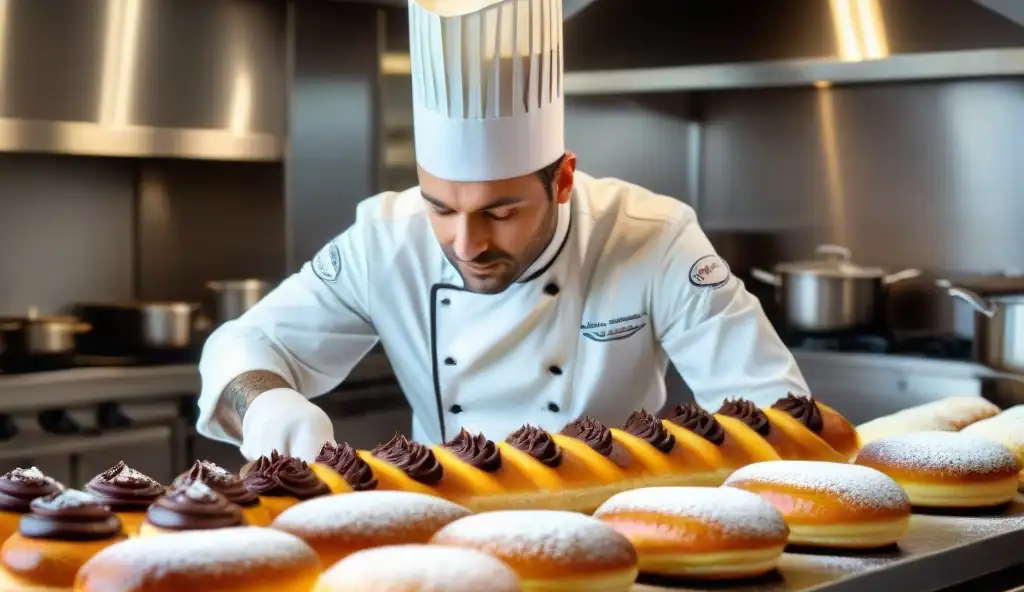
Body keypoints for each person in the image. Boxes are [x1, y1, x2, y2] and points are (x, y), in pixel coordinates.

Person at [196, 0, 809, 462]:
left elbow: (776, 415)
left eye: (500, 212)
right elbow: (242, 346)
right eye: (440, 207)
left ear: (563, 179)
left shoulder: (653, 237)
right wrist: (267, 406)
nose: (466, 244)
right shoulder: (384, 241)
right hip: (442, 538)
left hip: (619, 533)